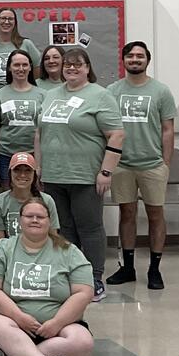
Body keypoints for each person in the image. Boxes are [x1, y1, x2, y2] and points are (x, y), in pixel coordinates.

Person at [38, 48, 125, 302]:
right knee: (64, 228)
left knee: (90, 228)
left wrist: (106, 171)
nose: (71, 68)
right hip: (54, 175)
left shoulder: (100, 95)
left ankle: (95, 278)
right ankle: (71, 276)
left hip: (86, 175)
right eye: (67, 64)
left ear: (88, 67)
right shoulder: (51, 95)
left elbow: (116, 134)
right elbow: (39, 132)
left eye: (78, 64)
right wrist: (39, 166)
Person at [0, 198, 94, 356]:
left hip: (60, 325)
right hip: (14, 324)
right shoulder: (4, 248)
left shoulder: (69, 251)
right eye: (29, 216)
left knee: (83, 344)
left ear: (50, 221)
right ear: (19, 220)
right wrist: (19, 317)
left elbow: (84, 292)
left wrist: (57, 323)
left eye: (40, 217)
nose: (35, 220)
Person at [107, 43, 177, 289]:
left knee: (156, 215)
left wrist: (165, 164)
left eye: (140, 56)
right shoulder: (112, 90)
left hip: (153, 164)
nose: (135, 59)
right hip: (122, 164)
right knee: (126, 214)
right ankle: (128, 268)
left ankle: (154, 269)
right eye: (130, 55)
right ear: (123, 60)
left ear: (147, 60)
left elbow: (168, 130)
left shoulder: (161, 91)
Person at [0, 50, 45, 188]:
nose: (21, 69)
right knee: (9, 197)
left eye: (25, 65)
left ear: (30, 67)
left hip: (35, 155)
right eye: (16, 65)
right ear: (9, 67)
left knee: (35, 198)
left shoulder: (43, 95)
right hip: (6, 155)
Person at [0, 152, 60, 241]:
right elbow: (0, 244)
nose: (22, 175)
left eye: (28, 170)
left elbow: (53, 238)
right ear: (10, 173)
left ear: (34, 175)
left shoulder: (47, 200)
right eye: (17, 170)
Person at [0, 7, 41, 95]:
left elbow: (37, 72)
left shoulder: (26, 44)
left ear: (15, 22)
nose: (6, 22)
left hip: (22, 94)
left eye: (10, 19)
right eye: (3, 18)